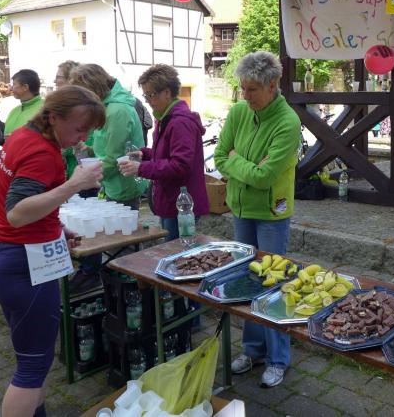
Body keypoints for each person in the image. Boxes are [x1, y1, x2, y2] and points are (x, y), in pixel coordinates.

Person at [0, 85, 105, 417]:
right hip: (24, 265)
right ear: (53, 117)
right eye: (79, 129)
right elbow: (17, 212)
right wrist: (75, 184)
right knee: (31, 369)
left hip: (2, 254)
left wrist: (55, 229)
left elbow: (20, 198)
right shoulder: (43, 153)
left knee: (34, 360)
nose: (82, 138)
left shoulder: (23, 135)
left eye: (88, 131)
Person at [215, 51, 300, 388]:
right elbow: (219, 156)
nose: (245, 96)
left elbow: (265, 178)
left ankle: (279, 358)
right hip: (241, 209)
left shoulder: (288, 122)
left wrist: (236, 162)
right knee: (247, 280)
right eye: (243, 88)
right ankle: (253, 350)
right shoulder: (239, 112)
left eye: (252, 89)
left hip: (271, 214)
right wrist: (242, 164)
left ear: (273, 84)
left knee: (273, 284)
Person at [118, 64, 208, 241]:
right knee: (172, 248)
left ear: (166, 92)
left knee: (177, 251)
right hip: (171, 200)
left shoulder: (179, 122)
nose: (147, 101)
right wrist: (145, 154)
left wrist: (140, 168)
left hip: (181, 204)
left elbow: (180, 165)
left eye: (150, 95)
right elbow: (168, 154)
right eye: (145, 95)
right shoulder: (166, 118)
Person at [69, 64, 146, 209]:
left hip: (123, 188)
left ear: (92, 88)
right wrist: (89, 150)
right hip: (112, 185)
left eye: (82, 95)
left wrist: (84, 180)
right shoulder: (107, 106)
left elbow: (115, 157)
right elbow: (107, 147)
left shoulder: (117, 111)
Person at [4, 69, 44, 138]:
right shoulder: (14, 110)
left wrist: (18, 139)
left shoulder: (45, 109)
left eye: (14, 84)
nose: (11, 88)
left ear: (25, 87)